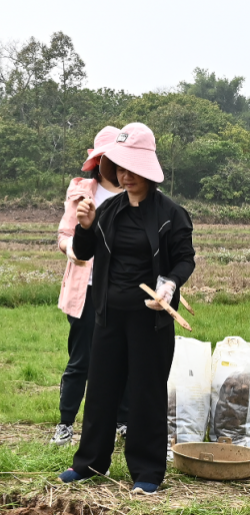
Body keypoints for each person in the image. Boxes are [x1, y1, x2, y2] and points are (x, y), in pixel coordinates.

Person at [58, 122, 196, 495]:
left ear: (147, 168)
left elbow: (185, 259)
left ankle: (147, 471)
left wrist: (170, 283)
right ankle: (90, 463)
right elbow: (83, 253)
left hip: (151, 319)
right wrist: (85, 226)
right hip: (109, 315)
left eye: (132, 168)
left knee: (146, 392)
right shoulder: (108, 210)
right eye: (119, 167)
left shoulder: (171, 214)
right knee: (101, 389)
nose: (125, 175)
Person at [52, 126, 132, 446]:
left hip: (122, 290)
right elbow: (64, 235)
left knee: (124, 357)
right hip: (86, 288)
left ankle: (122, 421)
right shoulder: (83, 191)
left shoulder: (134, 194)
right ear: (99, 162)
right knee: (81, 359)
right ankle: (65, 424)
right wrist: (73, 251)